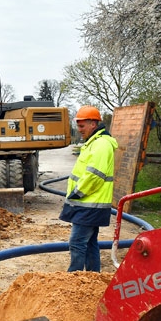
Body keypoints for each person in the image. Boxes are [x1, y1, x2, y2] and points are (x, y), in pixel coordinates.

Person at [59, 105, 118, 272]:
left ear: (93, 124)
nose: (79, 130)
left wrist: (77, 193)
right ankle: (93, 277)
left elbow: (94, 176)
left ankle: (73, 279)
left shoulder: (100, 145)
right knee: (90, 243)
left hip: (90, 203)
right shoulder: (94, 143)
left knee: (77, 242)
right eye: (78, 125)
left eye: (82, 126)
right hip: (89, 203)